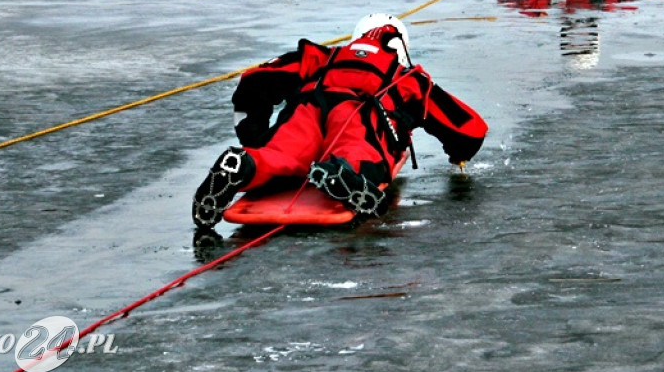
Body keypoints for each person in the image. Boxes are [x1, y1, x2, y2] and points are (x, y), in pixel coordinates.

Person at [192, 14, 489, 229]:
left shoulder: (320, 57)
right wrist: (458, 155)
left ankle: (246, 164)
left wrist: (253, 137)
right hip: (362, 113)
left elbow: (253, 82)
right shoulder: (408, 78)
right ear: (402, 49)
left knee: (280, 154)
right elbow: (470, 130)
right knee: (359, 152)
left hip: (307, 105)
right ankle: (342, 173)